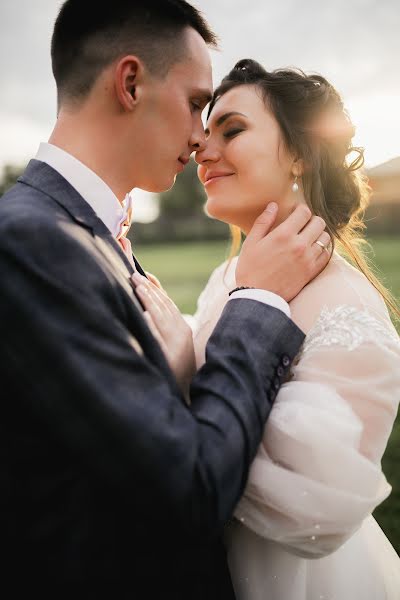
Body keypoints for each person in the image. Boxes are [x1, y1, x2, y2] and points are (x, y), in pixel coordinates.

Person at [0, 3, 331, 597]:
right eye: (197, 104)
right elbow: (190, 487)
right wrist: (256, 299)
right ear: (130, 83)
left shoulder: (82, 232)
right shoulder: (31, 241)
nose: (201, 136)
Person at [181, 58, 400, 599]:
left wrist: (166, 399)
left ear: (300, 153)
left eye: (230, 130)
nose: (201, 151)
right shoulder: (232, 275)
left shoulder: (348, 306)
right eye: (204, 133)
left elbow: (316, 505)